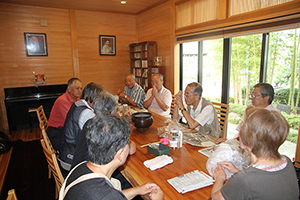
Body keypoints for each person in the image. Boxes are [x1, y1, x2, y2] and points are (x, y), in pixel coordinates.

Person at [59, 114, 165, 200]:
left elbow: (114, 195)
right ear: (119, 154)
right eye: (127, 143)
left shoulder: (81, 168)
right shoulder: (106, 196)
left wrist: (137, 190)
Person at [211, 106, 298, 200]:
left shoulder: (243, 179)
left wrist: (220, 178)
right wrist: (237, 171)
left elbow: (216, 198)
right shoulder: (287, 162)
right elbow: (264, 183)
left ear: (247, 140)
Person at [71, 91, 136, 169]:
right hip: (93, 173)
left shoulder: (89, 122)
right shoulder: (111, 127)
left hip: (79, 168)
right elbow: (131, 149)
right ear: (113, 111)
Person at [58, 82, 103, 172]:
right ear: (86, 96)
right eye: (97, 97)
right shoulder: (87, 113)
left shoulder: (77, 104)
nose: (100, 101)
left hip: (65, 152)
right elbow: (99, 136)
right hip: (72, 161)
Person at [215, 82, 281, 144]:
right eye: (252, 95)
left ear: (266, 97)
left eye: (255, 95)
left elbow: (256, 141)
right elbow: (241, 134)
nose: (252, 98)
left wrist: (231, 142)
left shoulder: (273, 115)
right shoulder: (252, 111)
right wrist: (230, 142)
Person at [47, 78, 82, 151]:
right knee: (77, 146)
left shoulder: (77, 99)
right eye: (77, 88)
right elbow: (70, 120)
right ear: (69, 88)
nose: (79, 91)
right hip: (56, 131)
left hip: (64, 128)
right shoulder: (62, 101)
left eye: (81, 88)